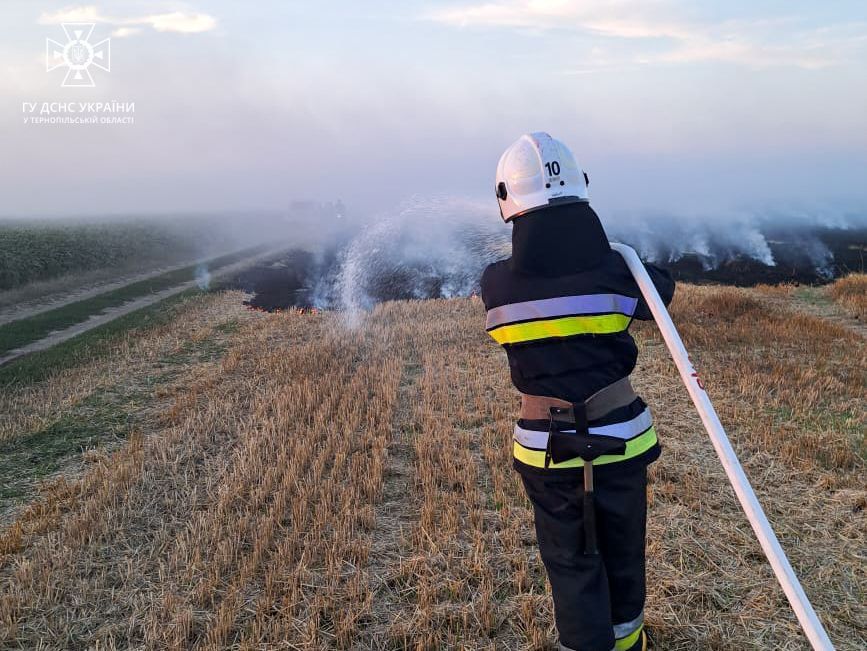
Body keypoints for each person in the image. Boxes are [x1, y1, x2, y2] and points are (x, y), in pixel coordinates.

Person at [480, 132, 675, 651]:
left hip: (548, 452)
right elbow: (664, 294)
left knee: (570, 565)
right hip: (621, 444)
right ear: (580, 190)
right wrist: (612, 253)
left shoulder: (497, 286)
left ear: (507, 202)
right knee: (624, 554)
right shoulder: (617, 272)